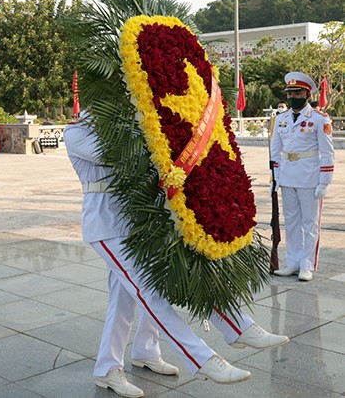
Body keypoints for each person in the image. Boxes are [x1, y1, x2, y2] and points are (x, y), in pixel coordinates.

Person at [65, 115, 289, 396]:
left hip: (139, 220)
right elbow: (124, 156)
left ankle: (131, 357)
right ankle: (202, 358)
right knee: (148, 290)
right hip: (106, 224)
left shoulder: (132, 119)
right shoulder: (75, 132)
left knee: (128, 298)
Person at [271, 72, 334, 282]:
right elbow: (275, 150)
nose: (292, 97)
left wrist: (324, 182)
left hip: (309, 177)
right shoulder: (281, 119)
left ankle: (307, 265)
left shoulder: (319, 119)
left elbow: (327, 152)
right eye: (290, 93)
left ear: (307, 94)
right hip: (287, 177)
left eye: (297, 92)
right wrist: (276, 177)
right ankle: (293, 262)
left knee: (310, 223)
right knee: (291, 222)